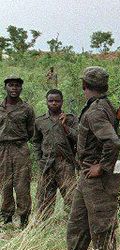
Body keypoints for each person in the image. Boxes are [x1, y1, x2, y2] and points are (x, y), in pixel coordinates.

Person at [42, 67, 120, 250]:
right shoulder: (100, 106)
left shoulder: (96, 111)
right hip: (86, 178)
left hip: (97, 180)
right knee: (77, 225)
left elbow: (112, 142)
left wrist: (103, 167)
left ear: (84, 85)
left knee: (102, 228)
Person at [32, 89, 79, 219]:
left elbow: (79, 138)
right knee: (44, 198)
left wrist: (65, 126)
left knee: (71, 196)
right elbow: (36, 141)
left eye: (57, 101)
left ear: (62, 102)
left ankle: (72, 222)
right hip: (46, 164)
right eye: (51, 101)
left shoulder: (70, 119)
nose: (54, 103)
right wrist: (39, 159)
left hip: (65, 163)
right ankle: (43, 224)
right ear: (46, 102)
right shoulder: (40, 121)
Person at [0, 75, 35, 228]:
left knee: (22, 184)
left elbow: (31, 130)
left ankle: (24, 218)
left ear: (21, 88)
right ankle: (6, 217)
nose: (14, 88)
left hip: (20, 148)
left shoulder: (26, 108)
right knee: (4, 183)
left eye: (17, 85)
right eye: (11, 85)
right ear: (5, 87)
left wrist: (20, 141)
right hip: (2, 149)